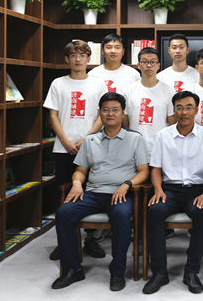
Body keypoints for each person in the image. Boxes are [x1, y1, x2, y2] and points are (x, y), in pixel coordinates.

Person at [52, 92, 150, 291]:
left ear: (123, 113)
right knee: (63, 213)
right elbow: (80, 170)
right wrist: (77, 183)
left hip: (120, 194)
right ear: (100, 113)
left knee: (121, 216)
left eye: (115, 110)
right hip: (92, 193)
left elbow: (143, 171)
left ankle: (117, 272)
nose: (110, 114)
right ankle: (72, 269)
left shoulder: (135, 138)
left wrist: (127, 184)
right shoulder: (90, 140)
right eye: (106, 110)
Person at [144, 91, 203, 295]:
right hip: (169, 190)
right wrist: (158, 189)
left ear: (196, 110)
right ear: (174, 110)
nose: (184, 112)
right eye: (179, 108)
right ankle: (159, 272)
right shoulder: (163, 135)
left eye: (189, 108)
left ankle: (191, 271)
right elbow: (155, 168)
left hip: (197, 190)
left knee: (202, 213)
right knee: (154, 211)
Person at [43, 40, 106, 261]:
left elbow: (102, 115)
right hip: (63, 149)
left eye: (82, 55)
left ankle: (91, 240)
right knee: (64, 193)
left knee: (90, 193)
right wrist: (65, 140)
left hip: (92, 147)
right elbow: (53, 115)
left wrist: (86, 139)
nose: (77, 59)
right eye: (73, 55)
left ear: (89, 58)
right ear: (66, 59)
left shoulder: (98, 84)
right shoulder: (58, 83)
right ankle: (64, 242)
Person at [122, 47, 176, 155]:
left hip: (160, 147)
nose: (149, 65)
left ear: (158, 65)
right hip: (134, 147)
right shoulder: (128, 91)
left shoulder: (169, 91)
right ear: (138, 65)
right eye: (145, 62)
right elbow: (125, 123)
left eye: (153, 62)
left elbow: (172, 124)